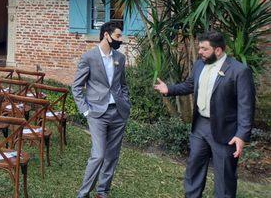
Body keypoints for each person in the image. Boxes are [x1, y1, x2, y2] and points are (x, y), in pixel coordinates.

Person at [154, 30, 255, 198]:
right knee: (194, 167)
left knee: (224, 176)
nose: (199, 51)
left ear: (218, 50)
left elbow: (246, 106)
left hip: (226, 131)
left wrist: (241, 135)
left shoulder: (239, 71)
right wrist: (169, 89)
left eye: (204, 48)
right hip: (200, 126)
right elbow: (189, 85)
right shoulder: (200, 64)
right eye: (199, 48)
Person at [72, 21, 130, 198]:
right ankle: (83, 194)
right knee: (98, 155)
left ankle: (102, 192)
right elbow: (76, 87)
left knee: (112, 156)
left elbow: (123, 85)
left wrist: (126, 103)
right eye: (118, 36)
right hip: (97, 113)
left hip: (118, 113)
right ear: (106, 34)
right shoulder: (89, 57)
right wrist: (86, 111)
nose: (121, 39)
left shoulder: (120, 58)